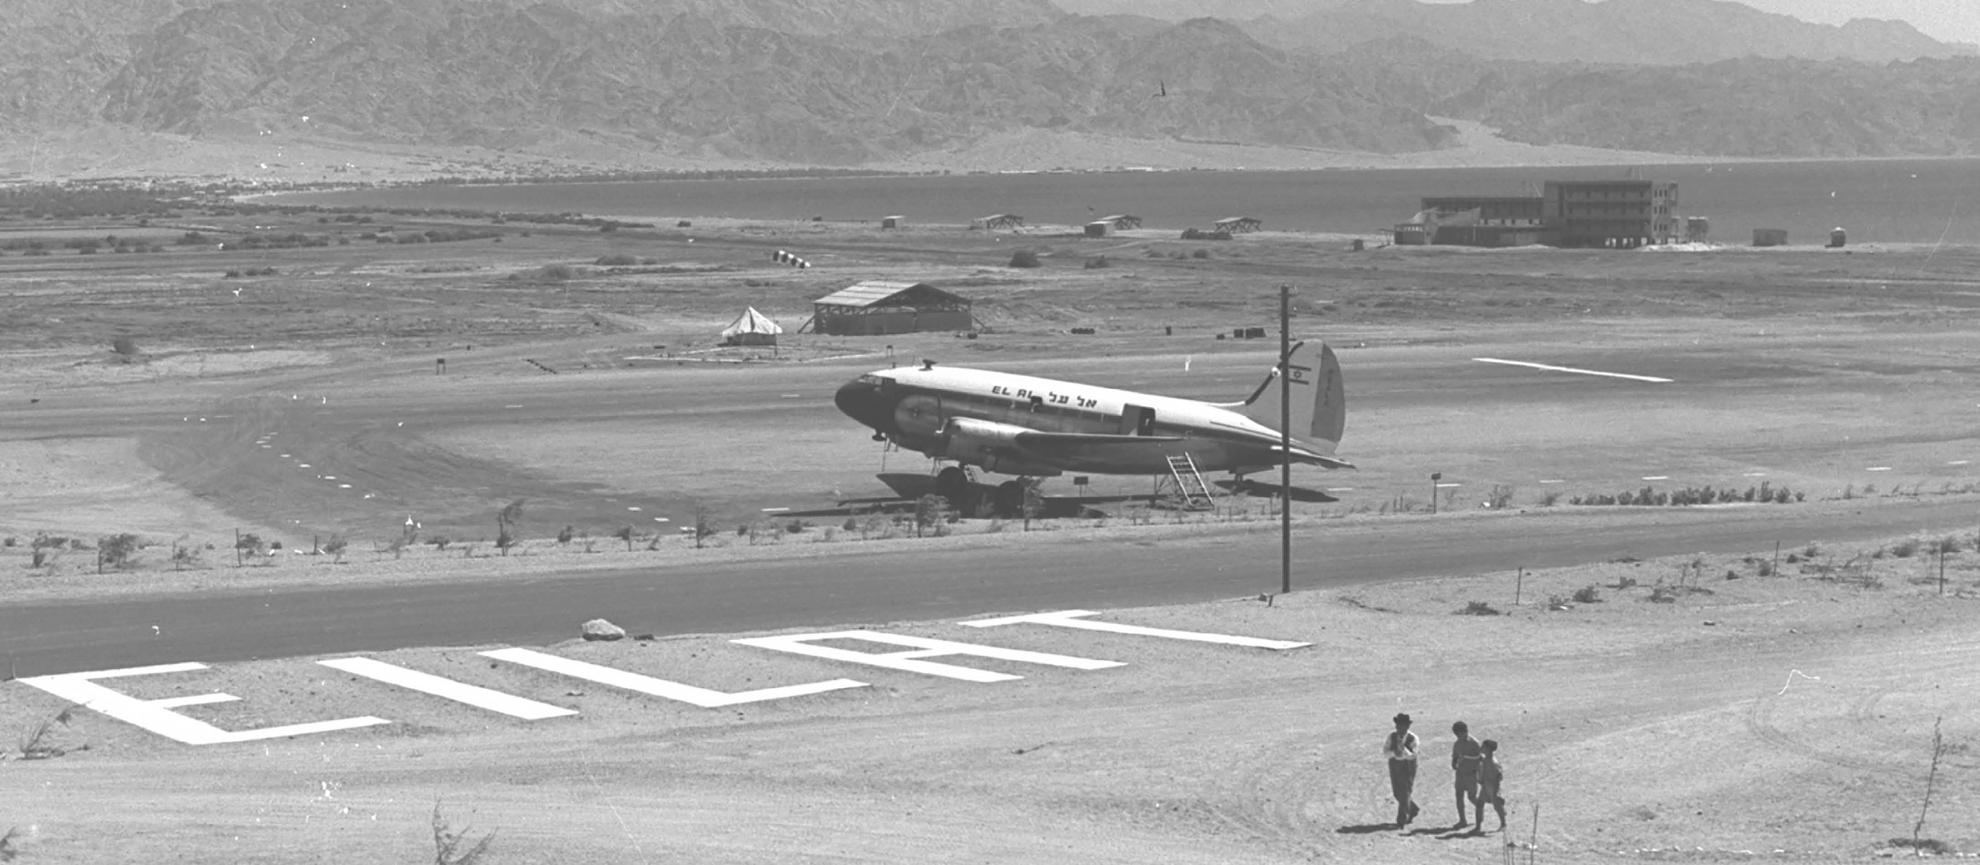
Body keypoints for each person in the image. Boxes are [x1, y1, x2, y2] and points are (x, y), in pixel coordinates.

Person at [1383, 712, 1421, 827]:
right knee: (1397, 793)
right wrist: (1395, 753)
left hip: (1408, 766)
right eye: (1398, 726)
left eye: (1403, 726)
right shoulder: (1391, 736)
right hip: (1395, 765)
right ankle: (1412, 808)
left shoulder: (1413, 738)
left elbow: (1413, 755)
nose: (1400, 729)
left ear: (1407, 727)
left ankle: (1401, 820)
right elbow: (1385, 752)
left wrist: (1403, 751)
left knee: (1405, 792)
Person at [1450, 720, 1482, 827]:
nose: (1459, 737)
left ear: (1466, 731)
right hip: (1460, 774)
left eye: (1461, 734)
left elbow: (1479, 759)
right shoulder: (1457, 743)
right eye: (1457, 735)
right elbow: (1455, 756)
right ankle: (1462, 820)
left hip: (1471, 774)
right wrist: (1454, 763)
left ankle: (1480, 811)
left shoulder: (1474, 743)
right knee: (1459, 796)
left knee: (1471, 797)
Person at [1473, 739, 1507, 834]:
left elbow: (1499, 776)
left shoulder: (1493, 762)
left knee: (1497, 805)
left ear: (1488, 749)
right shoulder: (1485, 759)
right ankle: (1478, 826)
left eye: (1483, 747)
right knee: (1480, 804)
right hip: (1486, 785)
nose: (1481, 748)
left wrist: (1496, 790)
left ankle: (1503, 823)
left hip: (1492, 786)